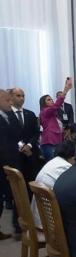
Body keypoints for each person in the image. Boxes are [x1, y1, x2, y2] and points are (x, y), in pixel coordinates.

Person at [31, 140, 76, 231]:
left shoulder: (54, 162)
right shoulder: (65, 168)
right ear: (74, 157)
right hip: (50, 225)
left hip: (40, 218)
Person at [0, 89, 23, 240]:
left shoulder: (8, 116)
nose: (10, 103)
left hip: (12, 161)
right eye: (7, 100)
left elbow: (16, 135)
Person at [10, 88, 42, 183]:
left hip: (31, 154)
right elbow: (7, 135)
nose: (22, 98)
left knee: (32, 181)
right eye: (18, 96)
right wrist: (21, 146)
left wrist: (29, 145)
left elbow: (36, 132)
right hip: (15, 155)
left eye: (23, 96)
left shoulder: (30, 114)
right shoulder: (6, 115)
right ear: (11, 97)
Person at [40, 78, 73, 160]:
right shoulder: (45, 111)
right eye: (48, 100)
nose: (51, 100)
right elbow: (57, 105)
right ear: (44, 103)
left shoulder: (53, 113)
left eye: (51, 99)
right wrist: (65, 89)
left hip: (56, 142)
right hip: (49, 142)